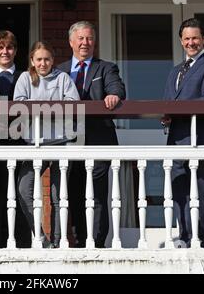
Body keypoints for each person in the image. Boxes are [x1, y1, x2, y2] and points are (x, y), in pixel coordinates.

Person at [57, 21, 126, 248]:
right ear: (71, 42)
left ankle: (96, 243)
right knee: (74, 195)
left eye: (89, 39)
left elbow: (117, 89)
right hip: (67, 141)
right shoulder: (60, 71)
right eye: (81, 38)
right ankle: (78, 242)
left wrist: (113, 95)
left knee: (95, 196)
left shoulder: (105, 68)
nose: (85, 43)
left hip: (98, 139)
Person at [162, 18, 204, 248]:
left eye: (195, 38)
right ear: (181, 41)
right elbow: (169, 101)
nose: (191, 43)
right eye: (187, 38)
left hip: (201, 137)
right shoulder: (175, 71)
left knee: (202, 189)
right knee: (179, 189)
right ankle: (186, 236)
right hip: (176, 138)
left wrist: (176, 111)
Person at [14, 41, 80, 248]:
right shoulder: (25, 78)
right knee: (25, 190)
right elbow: (19, 106)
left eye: (47, 59)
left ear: (53, 60)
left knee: (58, 195)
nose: (43, 63)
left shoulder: (63, 78)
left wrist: (40, 110)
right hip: (35, 144)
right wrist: (52, 109)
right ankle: (41, 238)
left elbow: (72, 105)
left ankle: (59, 242)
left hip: (62, 141)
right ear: (32, 61)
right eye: (39, 59)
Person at [0, 30, 31, 248]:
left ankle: (22, 246)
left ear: (16, 50)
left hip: (20, 145)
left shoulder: (28, 77)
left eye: (9, 47)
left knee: (21, 198)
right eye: (0, 47)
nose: (5, 52)